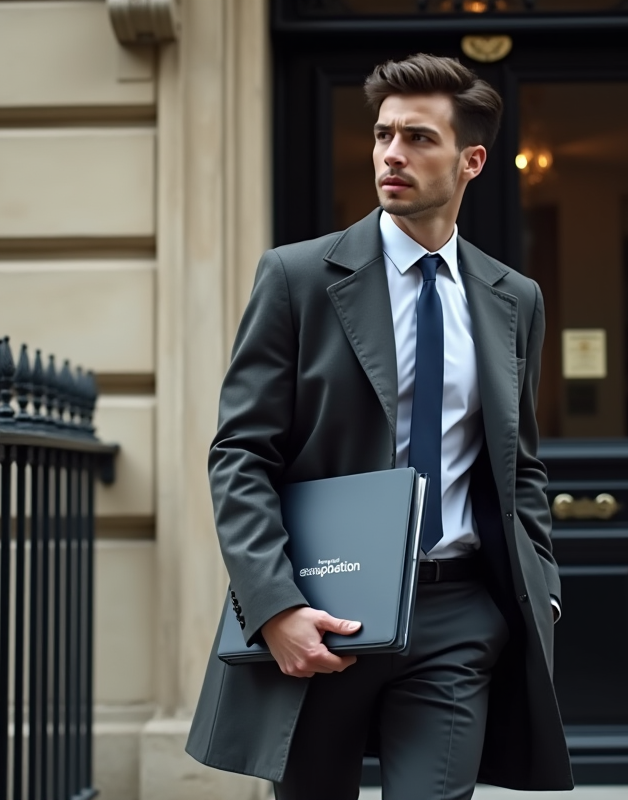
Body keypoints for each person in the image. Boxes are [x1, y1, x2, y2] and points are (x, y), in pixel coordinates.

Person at [186, 53, 573, 800]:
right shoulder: (298, 278)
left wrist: (541, 586)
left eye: (419, 138)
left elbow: (520, 461)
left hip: (461, 615)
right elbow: (240, 454)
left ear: (472, 160)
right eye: (382, 135)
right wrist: (275, 606)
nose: (392, 154)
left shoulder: (512, 298)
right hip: (327, 609)